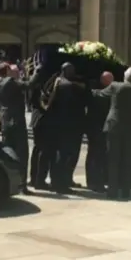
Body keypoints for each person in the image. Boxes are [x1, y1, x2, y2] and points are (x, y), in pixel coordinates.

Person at [93, 67, 131, 199]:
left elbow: (99, 95)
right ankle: (125, 191)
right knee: (127, 159)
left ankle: (112, 192)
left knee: (113, 159)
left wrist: (86, 90)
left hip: (114, 126)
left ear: (125, 76)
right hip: (130, 129)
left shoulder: (115, 86)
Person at [46, 63, 87, 194]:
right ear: (64, 70)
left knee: (66, 155)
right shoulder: (67, 85)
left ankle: (63, 181)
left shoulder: (60, 82)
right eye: (71, 70)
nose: (73, 72)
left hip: (63, 125)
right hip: (67, 126)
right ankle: (60, 184)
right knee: (63, 155)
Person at [0, 63, 34, 195]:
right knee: (22, 154)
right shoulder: (10, 82)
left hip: (5, 121)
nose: (17, 73)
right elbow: (29, 85)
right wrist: (38, 72)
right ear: (7, 70)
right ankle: (21, 185)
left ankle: (10, 184)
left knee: (8, 153)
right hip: (16, 121)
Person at [84, 72, 113, 192]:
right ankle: (94, 182)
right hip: (96, 128)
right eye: (110, 81)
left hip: (100, 128)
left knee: (98, 155)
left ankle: (97, 180)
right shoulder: (98, 93)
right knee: (95, 155)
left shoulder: (99, 93)